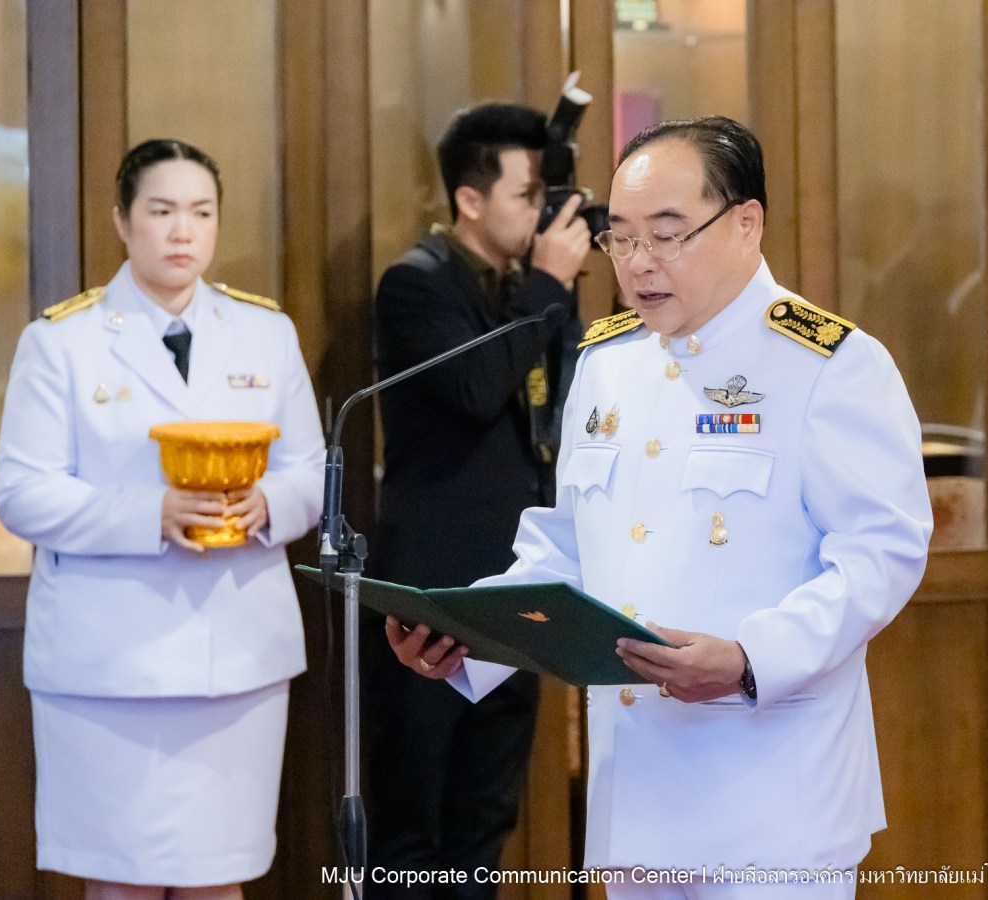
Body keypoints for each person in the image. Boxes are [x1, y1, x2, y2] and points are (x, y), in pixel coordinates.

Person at [387, 116, 933, 899]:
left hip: (775, 797)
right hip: (637, 802)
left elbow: (882, 555)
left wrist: (750, 659)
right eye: (621, 238)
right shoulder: (608, 362)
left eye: (668, 235)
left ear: (747, 224)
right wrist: (467, 636)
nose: (639, 264)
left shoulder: (831, 364)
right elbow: (567, 549)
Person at [0, 139, 325, 900]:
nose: (183, 232)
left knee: (221, 879)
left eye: (201, 213)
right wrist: (154, 514)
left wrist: (268, 502)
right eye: (163, 211)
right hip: (109, 664)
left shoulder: (263, 333)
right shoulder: (62, 341)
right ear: (122, 220)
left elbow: (309, 472)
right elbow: (23, 493)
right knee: (122, 886)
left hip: (236, 656)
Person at [360, 102, 591, 897]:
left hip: (515, 590)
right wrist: (550, 286)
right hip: (430, 596)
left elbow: (565, 401)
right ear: (469, 199)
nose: (542, 215)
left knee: (483, 823)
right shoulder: (415, 285)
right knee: (412, 828)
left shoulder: (527, 290)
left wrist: (557, 294)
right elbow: (472, 388)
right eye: (528, 196)